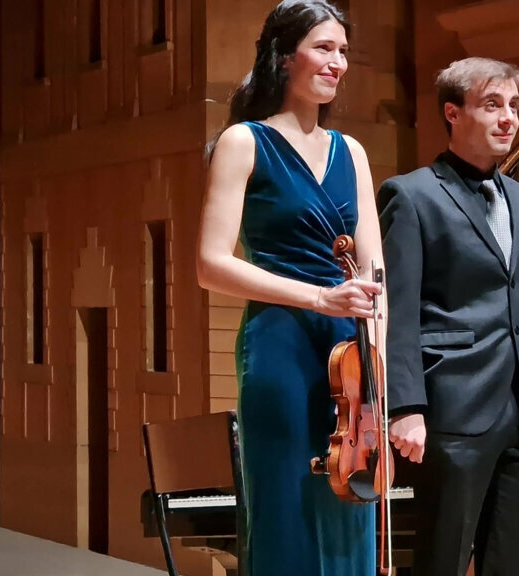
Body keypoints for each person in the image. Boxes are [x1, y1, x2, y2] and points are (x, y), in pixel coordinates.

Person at [196, 2, 384, 574]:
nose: (337, 63)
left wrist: (378, 370)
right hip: (279, 342)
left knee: (350, 504)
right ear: (284, 57)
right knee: (286, 505)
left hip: (351, 356)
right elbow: (210, 264)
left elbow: (374, 275)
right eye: (323, 48)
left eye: (343, 51)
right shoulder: (243, 142)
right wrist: (320, 297)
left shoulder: (352, 152)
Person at [378, 57, 519, 575]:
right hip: (455, 408)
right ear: (453, 112)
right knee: (442, 563)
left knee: (511, 565)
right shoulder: (412, 195)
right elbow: (397, 310)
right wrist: (405, 405)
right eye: (492, 105)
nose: (508, 118)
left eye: (513, 105)